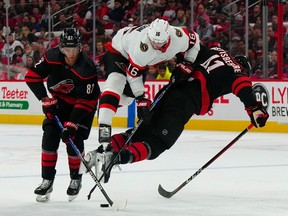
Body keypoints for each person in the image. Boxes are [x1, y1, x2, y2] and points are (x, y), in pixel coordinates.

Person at [86, 46, 269, 183]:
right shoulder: (236, 70)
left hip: (167, 91)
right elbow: (242, 85)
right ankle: (115, 158)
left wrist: (182, 65)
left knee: (137, 134)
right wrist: (253, 108)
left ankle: (99, 152)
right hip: (183, 104)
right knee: (157, 144)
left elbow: (187, 48)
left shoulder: (214, 50)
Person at [97, 18, 201, 149]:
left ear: (168, 36)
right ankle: (104, 123)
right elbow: (133, 75)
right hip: (120, 50)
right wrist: (141, 98)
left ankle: (104, 104)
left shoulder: (178, 36)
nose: (156, 45)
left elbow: (195, 41)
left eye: (160, 42)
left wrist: (188, 63)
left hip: (142, 61)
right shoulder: (141, 48)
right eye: (153, 41)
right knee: (116, 80)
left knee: (128, 98)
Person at [25, 28, 100, 202]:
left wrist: (72, 123)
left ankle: (76, 178)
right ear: (61, 48)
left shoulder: (87, 68)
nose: (71, 54)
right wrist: (45, 99)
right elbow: (32, 77)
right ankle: (47, 180)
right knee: (49, 137)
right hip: (59, 102)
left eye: (74, 49)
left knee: (73, 140)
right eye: (67, 50)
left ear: (80, 48)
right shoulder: (51, 56)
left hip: (83, 107)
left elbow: (86, 101)